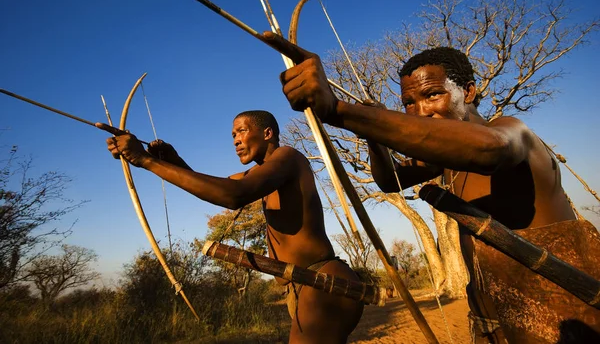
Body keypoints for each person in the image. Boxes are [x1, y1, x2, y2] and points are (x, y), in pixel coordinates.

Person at [265, 32, 600, 343]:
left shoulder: (511, 132)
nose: (420, 111)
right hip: (492, 322)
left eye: (433, 94)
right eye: (409, 102)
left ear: (468, 92)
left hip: (564, 319)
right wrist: (373, 133)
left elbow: (490, 149)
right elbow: (389, 180)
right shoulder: (443, 162)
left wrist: (340, 111)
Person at [107, 109, 363, 343]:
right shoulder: (260, 175)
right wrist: (171, 161)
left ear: (267, 133)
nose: (235, 140)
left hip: (322, 283)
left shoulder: (288, 158)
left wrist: (146, 161)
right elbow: (216, 187)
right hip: (303, 287)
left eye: (241, 131)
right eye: (232, 135)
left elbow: (233, 195)